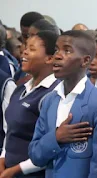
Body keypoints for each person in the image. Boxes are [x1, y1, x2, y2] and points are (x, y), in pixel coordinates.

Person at [28, 30, 97, 178]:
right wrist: (56, 137)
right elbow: (35, 155)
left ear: (85, 61)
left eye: (67, 50)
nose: (58, 55)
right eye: (56, 49)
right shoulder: (49, 101)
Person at [0, 31, 59, 178]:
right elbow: (10, 130)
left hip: (33, 173)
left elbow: (51, 146)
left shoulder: (53, 93)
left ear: (50, 58)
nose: (24, 52)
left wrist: (16, 170)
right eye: (25, 47)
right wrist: (3, 157)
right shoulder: (21, 87)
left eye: (32, 49)